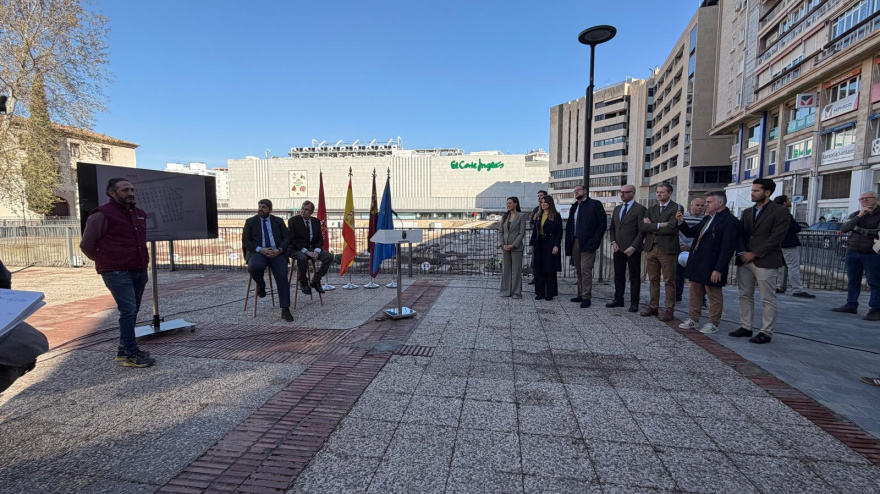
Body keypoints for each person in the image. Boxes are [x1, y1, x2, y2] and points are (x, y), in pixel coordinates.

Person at [80, 178, 156, 367]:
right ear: (112, 193)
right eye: (124, 190)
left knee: (133, 311)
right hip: (117, 272)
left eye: (132, 189)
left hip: (138, 269)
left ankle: (124, 349)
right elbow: (86, 244)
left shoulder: (140, 214)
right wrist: (106, 262)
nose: (130, 193)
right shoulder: (101, 215)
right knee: (128, 310)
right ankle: (131, 352)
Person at [730, 179, 789, 344]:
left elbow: (776, 237)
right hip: (745, 260)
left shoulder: (779, 211)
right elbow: (741, 233)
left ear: (767, 192)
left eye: (756, 190)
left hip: (766, 260)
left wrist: (755, 253)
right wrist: (742, 252)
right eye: (752, 190)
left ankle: (766, 331)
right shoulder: (748, 212)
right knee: (744, 295)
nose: (752, 193)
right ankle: (745, 326)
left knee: (767, 298)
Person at [674, 191, 741, 334]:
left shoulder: (729, 221)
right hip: (698, 262)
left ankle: (713, 322)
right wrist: (681, 222)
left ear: (720, 203)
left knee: (713, 294)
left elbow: (727, 248)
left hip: (712, 264)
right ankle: (693, 318)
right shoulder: (707, 219)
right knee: (695, 292)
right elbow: (691, 233)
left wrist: (719, 269)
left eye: (709, 202)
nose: (706, 205)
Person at [242, 199, 293, 322]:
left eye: (264, 207)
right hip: (259, 252)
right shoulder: (250, 222)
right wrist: (261, 249)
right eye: (259, 206)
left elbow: (287, 238)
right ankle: (261, 284)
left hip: (277, 253)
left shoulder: (278, 221)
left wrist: (279, 250)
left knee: (281, 275)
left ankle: (285, 309)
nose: (261, 209)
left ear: (270, 209)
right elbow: (246, 241)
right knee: (254, 267)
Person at [832, 191, 880, 320]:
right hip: (853, 250)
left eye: (867, 199)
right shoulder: (857, 214)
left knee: (875, 282)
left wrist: (859, 230)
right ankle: (851, 304)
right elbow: (844, 228)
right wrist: (859, 216)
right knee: (853, 280)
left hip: (872, 253)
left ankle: (875, 309)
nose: (864, 201)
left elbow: (877, 232)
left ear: (875, 199)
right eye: (861, 199)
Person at [638, 183, 681, 322]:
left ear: (669, 194)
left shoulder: (676, 207)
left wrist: (653, 226)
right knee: (653, 280)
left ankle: (669, 310)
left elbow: (671, 228)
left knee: (669, 281)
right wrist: (658, 225)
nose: (658, 194)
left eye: (662, 192)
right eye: (657, 192)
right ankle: (653, 306)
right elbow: (643, 226)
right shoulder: (651, 208)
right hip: (651, 248)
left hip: (667, 249)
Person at [565, 184, 607, 308]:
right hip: (575, 241)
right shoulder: (575, 206)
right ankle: (580, 294)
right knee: (578, 269)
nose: (576, 192)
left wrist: (595, 241)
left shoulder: (595, 204)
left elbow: (602, 224)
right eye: (574, 191)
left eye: (578, 190)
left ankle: (586, 297)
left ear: (585, 191)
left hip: (588, 242)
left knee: (585, 269)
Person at [607, 184, 646, 312]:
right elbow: (612, 228)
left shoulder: (640, 209)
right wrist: (613, 242)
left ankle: (634, 303)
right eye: (621, 192)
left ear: (632, 193)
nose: (622, 194)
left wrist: (633, 247)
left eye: (625, 192)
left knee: (634, 277)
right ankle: (618, 299)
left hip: (632, 249)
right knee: (618, 275)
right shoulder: (617, 209)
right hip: (618, 248)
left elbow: (642, 231)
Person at [288, 200, 333, 296]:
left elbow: (320, 238)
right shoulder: (293, 221)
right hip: (296, 248)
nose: (303, 211)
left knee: (328, 257)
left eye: (307, 210)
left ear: (311, 212)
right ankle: (303, 282)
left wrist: (317, 250)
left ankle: (316, 279)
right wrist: (306, 252)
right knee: (302, 258)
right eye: (303, 209)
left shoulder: (316, 222)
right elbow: (293, 240)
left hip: (312, 248)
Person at [773, 195, 814, 298]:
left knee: (776, 266)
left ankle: (777, 286)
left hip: (776, 244)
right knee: (793, 266)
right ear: (784, 203)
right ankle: (797, 289)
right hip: (788, 243)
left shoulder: (772, 213)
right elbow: (795, 228)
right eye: (788, 200)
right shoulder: (785, 213)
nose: (789, 202)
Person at [531, 195, 563, 301]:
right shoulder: (538, 215)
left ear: (550, 203)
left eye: (545, 202)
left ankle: (550, 293)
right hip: (539, 243)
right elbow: (535, 231)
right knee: (538, 269)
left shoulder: (556, 215)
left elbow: (559, 232)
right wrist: (532, 244)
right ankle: (539, 293)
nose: (543, 204)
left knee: (549, 269)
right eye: (542, 202)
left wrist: (556, 245)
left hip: (550, 244)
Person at [676, 198, 705, 302]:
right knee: (678, 275)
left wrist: (692, 246)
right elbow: (678, 231)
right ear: (691, 206)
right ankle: (677, 295)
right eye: (697, 205)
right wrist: (682, 244)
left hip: (696, 250)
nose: (700, 207)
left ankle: (701, 299)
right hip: (682, 249)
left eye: (702, 205)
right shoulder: (682, 218)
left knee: (698, 276)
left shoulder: (705, 219)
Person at [498, 196, 527, 299]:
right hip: (505, 247)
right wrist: (502, 244)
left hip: (516, 248)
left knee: (516, 270)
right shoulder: (504, 217)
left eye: (510, 203)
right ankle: (506, 291)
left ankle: (516, 292)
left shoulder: (521, 216)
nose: (508, 205)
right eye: (507, 203)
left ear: (516, 204)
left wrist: (514, 245)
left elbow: (521, 232)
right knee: (505, 270)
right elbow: (501, 232)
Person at [527, 190, 546, 285]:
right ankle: (535, 278)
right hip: (537, 239)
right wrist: (535, 230)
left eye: (541, 195)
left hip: (546, 240)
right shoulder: (535, 210)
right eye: (538, 196)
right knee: (535, 260)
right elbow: (531, 222)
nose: (539, 197)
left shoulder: (551, 210)